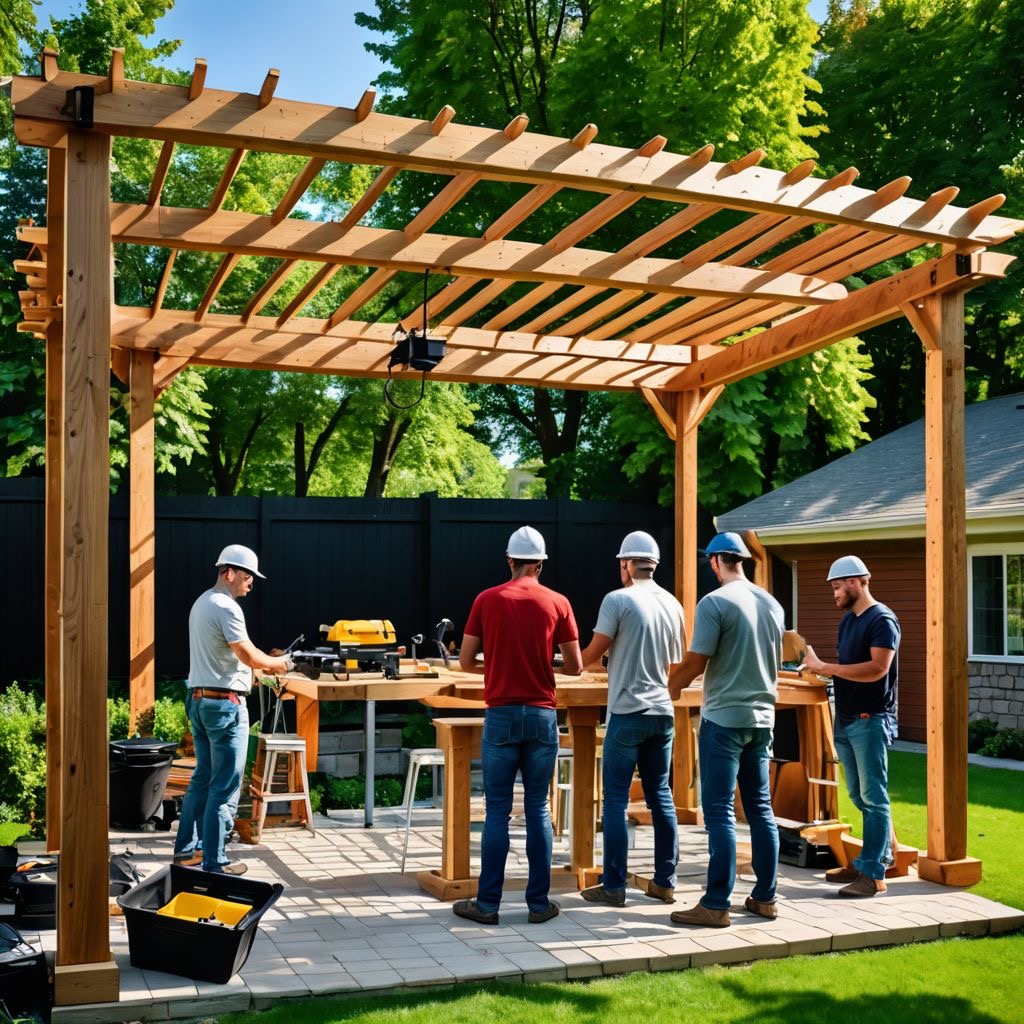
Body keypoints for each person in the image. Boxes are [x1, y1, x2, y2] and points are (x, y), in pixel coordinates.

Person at [452, 526, 583, 926]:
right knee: (538, 810)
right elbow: (576, 666)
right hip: (542, 716)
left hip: (502, 715)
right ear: (541, 563)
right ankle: (539, 905)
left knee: (497, 812)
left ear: (509, 560)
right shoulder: (559, 602)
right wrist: (546, 663)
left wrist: (497, 664)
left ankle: (488, 904)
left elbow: (465, 661)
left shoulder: (487, 600)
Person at [667, 531, 784, 927]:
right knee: (761, 810)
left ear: (716, 562)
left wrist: (669, 687)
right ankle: (766, 898)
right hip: (763, 719)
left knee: (718, 811)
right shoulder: (772, 604)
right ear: (742, 560)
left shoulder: (714, 602)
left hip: (724, 719)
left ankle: (717, 903)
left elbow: (697, 661)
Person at [578, 530, 684, 908]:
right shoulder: (673, 604)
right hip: (663, 713)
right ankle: (665, 882)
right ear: (653, 565)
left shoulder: (617, 599)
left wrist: (571, 661)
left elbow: (591, 654)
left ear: (626, 565)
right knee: (661, 798)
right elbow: (674, 664)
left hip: (627, 711)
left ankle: (613, 886)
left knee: (615, 802)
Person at [174, 544, 291, 875]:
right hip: (224, 707)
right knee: (224, 787)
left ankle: (187, 852)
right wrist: (280, 664)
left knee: (203, 779)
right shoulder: (226, 607)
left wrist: (253, 671)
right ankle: (215, 862)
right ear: (228, 573)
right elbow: (249, 656)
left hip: (199, 700)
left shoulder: (202, 603)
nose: (251, 582)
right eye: (247, 575)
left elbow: (234, 657)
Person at [802, 555, 901, 898]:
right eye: (832, 588)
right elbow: (847, 668)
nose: (834, 594)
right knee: (860, 795)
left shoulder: (882, 620)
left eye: (837, 586)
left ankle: (873, 873)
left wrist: (826, 667)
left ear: (859, 581)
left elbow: (876, 669)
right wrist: (818, 672)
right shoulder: (848, 621)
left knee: (874, 797)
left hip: (869, 719)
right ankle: (875, 858)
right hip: (844, 718)